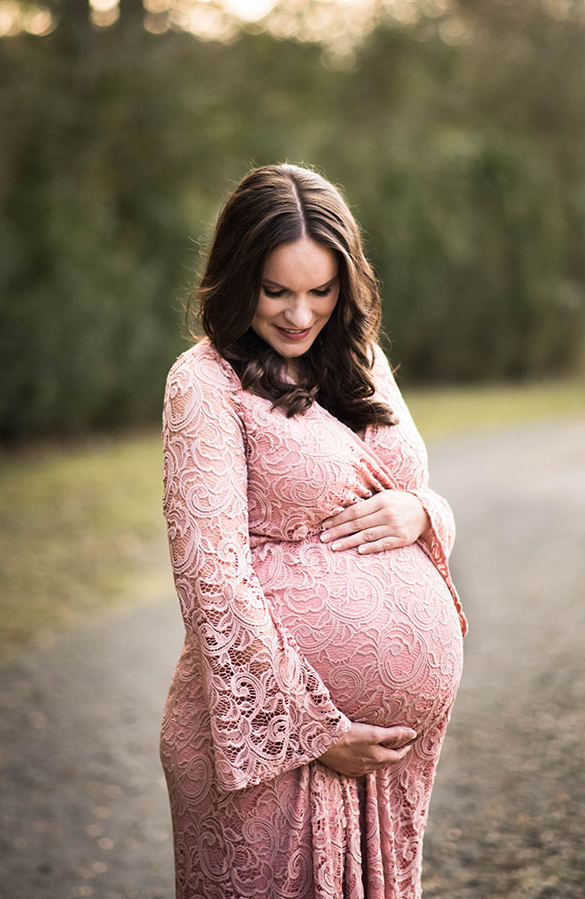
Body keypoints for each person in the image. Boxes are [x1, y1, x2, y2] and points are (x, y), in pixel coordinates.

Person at [159, 163, 467, 899]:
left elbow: (419, 491)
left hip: (385, 765)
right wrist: (316, 730)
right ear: (238, 278)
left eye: (320, 290)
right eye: (277, 290)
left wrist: (428, 513)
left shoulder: (360, 360)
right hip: (278, 749)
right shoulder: (205, 382)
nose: (300, 314)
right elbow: (211, 578)